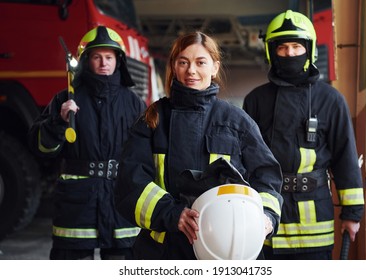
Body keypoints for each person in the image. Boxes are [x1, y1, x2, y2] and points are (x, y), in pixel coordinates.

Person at [115, 31, 283, 260]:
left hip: (228, 251)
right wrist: (172, 214)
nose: (191, 70)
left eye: (200, 62)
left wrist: (267, 216)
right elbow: (130, 181)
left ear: (214, 67)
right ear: (174, 67)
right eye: (183, 62)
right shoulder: (152, 119)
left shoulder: (237, 121)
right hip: (163, 252)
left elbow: (267, 176)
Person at [243, 10, 365, 260]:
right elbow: (244, 160)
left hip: (316, 226)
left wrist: (352, 214)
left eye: (297, 46)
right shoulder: (256, 100)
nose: (290, 53)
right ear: (271, 51)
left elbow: (345, 158)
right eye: (283, 47)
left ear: (309, 50)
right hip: (268, 219)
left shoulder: (331, 100)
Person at [28, 26, 146, 260]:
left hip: (121, 203)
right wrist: (58, 122)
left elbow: (144, 155)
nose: (104, 63)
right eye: (96, 57)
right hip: (77, 206)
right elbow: (42, 149)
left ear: (118, 61)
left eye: (109, 57)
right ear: (86, 61)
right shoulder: (65, 99)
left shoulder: (134, 103)